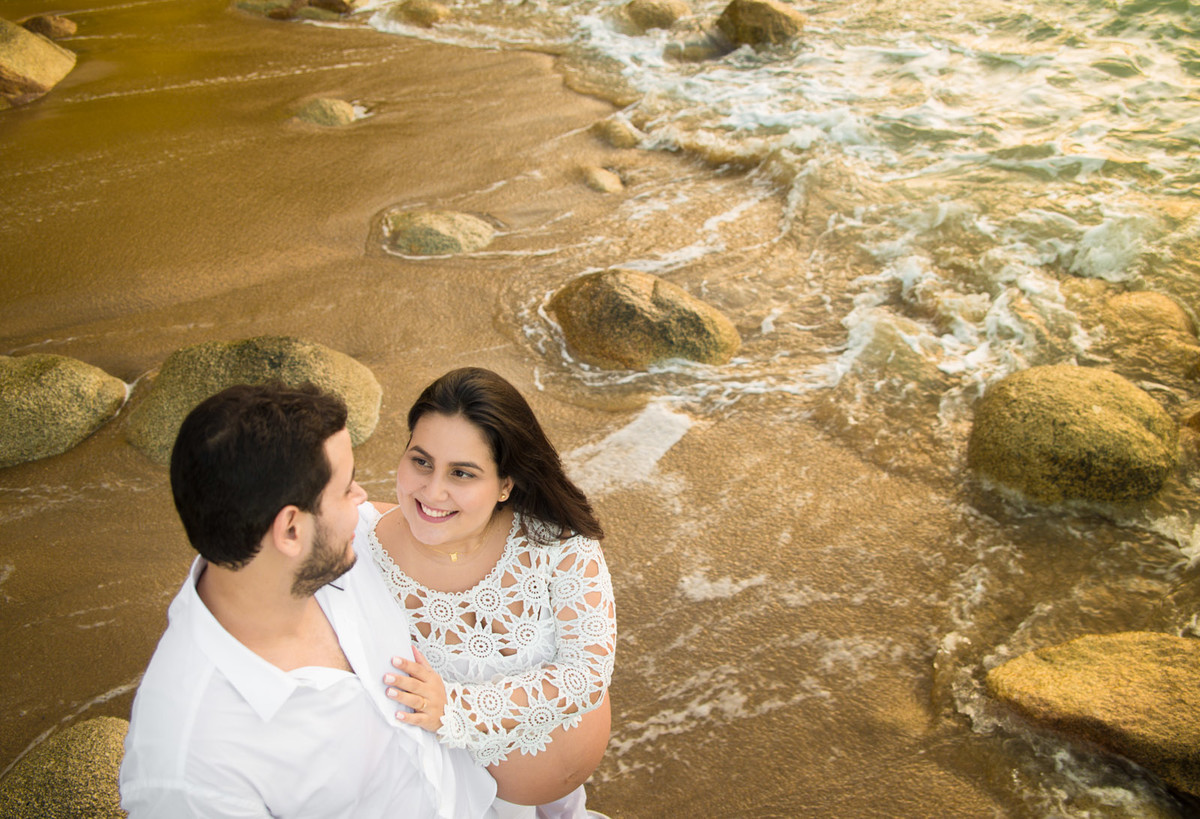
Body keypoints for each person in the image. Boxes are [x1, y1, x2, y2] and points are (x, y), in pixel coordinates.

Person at [119, 382, 498, 818]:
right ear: (291, 531)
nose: (362, 498)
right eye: (346, 488)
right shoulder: (189, 767)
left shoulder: (338, 548)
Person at [355, 367, 616, 819]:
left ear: (505, 484)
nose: (432, 491)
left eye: (462, 473)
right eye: (421, 461)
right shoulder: (365, 553)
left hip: (568, 799)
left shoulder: (555, 540)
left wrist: (457, 707)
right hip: (475, 803)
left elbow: (587, 671)